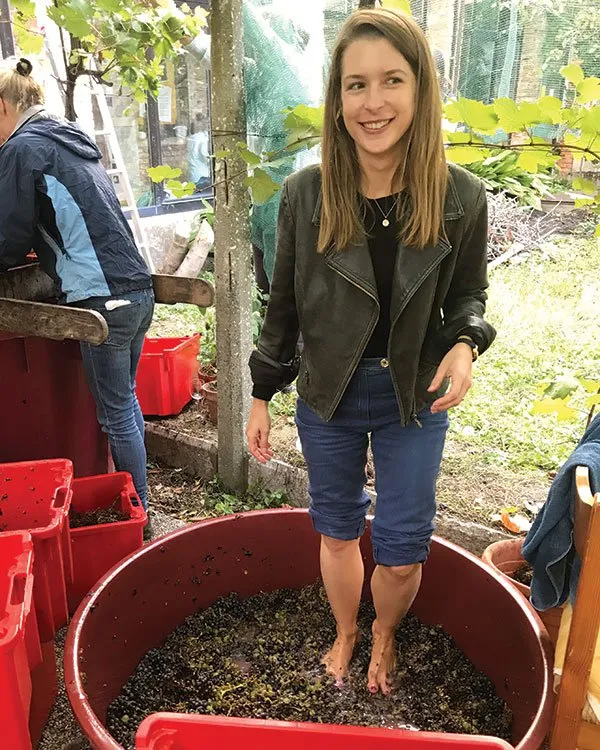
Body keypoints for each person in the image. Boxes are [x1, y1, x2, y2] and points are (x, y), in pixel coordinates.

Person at [246, 8, 496, 695]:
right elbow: (283, 305)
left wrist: (466, 344)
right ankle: (346, 630)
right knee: (335, 531)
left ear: (420, 90)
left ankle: (383, 633)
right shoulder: (306, 193)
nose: (373, 102)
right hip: (328, 392)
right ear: (338, 99)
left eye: (391, 80)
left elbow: (468, 293)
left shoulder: (459, 196)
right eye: (356, 85)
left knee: (403, 549)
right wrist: (262, 394)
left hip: (413, 396)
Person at [0, 58, 155, 526]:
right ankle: (141, 500)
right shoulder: (69, 139)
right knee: (125, 401)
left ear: (3, 105)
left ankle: (139, 515)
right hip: (137, 290)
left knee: (116, 413)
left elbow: (9, 235)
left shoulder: (23, 148)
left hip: (101, 299)